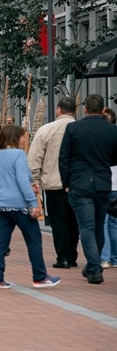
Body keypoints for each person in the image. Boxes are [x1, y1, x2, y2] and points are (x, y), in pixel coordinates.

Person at [0, 125, 61, 289]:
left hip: (0, 205)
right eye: (22, 137)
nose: (24, 140)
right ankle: (40, 276)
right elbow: (22, 180)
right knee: (34, 239)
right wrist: (33, 203)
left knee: (0, 243)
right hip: (19, 205)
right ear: (15, 138)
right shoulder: (19, 155)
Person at [59, 94, 117, 284]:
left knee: (86, 227)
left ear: (85, 110)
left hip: (79, 181)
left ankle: (93, 266)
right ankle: (94, 264)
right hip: (102, 182)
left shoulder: (73, 128)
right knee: (98, 227)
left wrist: (66, 182)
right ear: (102, 110)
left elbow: (64, 158)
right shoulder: (112, 130)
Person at [27, 97, 80, 269]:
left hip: (53, 182)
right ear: (75, 110)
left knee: (58, 221)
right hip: (76, 183)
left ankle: (63, 256)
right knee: (74, 220)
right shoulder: (81, 129)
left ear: (58, 110)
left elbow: (34, 158)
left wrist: (34, 180)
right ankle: (72, 255)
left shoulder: (46, 130)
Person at [101, 108, 117, 270]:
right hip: (116, 185)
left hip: (105, 183)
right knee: (114, 222)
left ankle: (104, 258)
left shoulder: (101, 139)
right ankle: (115, 257)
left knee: (103, 222)